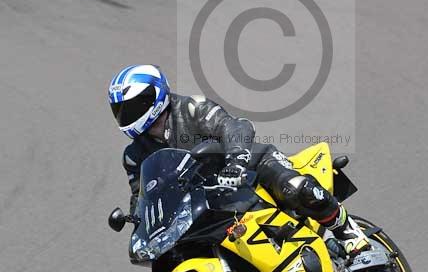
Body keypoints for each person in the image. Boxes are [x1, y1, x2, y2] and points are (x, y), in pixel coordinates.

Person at [108, 64, 368, 254]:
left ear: (155, 96)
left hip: (248, 166)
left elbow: (233, 127)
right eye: (120, 110)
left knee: (294, 187)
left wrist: (236, 162)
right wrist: (139, 223)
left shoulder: (191, 108)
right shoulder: (134, 156)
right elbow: (142, 194)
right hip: (206, 201)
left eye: (133, 106)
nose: (126, 115)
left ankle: (347, 231)